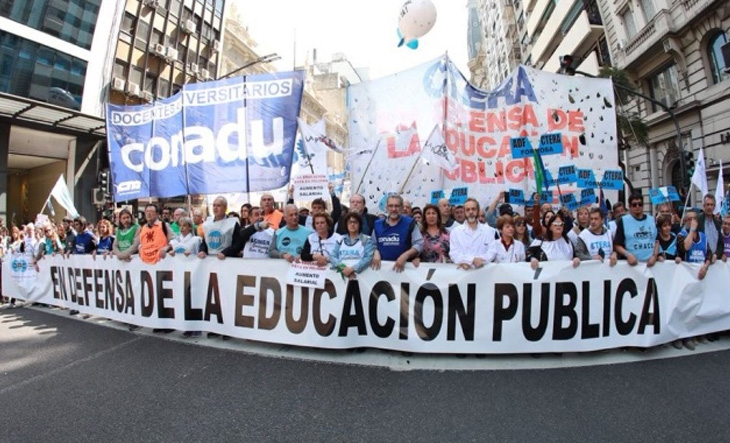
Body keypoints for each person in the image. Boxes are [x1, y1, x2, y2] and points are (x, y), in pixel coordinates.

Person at [371, 194, 422, 272]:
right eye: (390, 206)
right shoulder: (378, 224)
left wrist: (406, 255)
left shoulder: (410, 223)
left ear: (401, 208)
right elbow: (372, 244)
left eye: (397, 206)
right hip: (382, 271)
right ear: (386, 208)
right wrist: (375, 252)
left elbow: (419, 244)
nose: (393, 209)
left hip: (405, 271)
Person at [449, 198, 498, 269]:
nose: (471, 212)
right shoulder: (455, 232)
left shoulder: (489, 231)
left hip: (484, 272)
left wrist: (478, 260)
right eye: (468, 210)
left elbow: (492, 252)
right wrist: (472, 260)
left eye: (473, 209)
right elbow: (454, 254)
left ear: (478, 211)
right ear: (464, 212)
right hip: (463, 272)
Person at [612, 193, 657, 266]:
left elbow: (657, 241)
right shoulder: (623, 221)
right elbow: (617, 245)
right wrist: (628, 254)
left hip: (652, 264)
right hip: (632, 265)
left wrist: (655, 256)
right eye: (634, 205)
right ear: (629, 206)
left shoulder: (652, 220)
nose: (637, 207)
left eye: (640, 204)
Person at [330, 212, 376, 279]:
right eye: (350, 222)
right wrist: (342, 267)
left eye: (355, 222)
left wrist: (353, 269)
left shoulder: (367, 240)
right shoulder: (340, 239)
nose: (352, 224)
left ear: (360, 224)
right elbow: (332, 256)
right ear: (346, 225)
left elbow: (368, 258)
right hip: (342, 277)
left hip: (361, 277)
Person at [696, 193, 723, 262]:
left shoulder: (718, 222)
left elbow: (720, 243)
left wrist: (716, 254)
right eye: (707, 204)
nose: (709, 207)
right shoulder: (698, 220)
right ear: (704, 206)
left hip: (715, 261)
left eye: (711, 205)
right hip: (701, 260)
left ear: (714, 206)